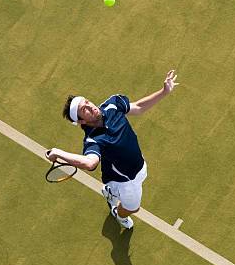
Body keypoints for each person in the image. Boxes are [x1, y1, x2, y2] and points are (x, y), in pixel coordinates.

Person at [46, 70, 179, 229]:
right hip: (125, 181)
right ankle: (118, 214)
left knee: (142, 176)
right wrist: (59, 153)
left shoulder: (112, 104)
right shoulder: (92, 139)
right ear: (81, 121)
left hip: (139, 164)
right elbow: (90, 163)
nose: (90, 106)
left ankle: (110, 192)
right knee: (132, 208)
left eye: (87, 102)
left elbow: (138, 107)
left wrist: (164, 92)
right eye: (84, 110)